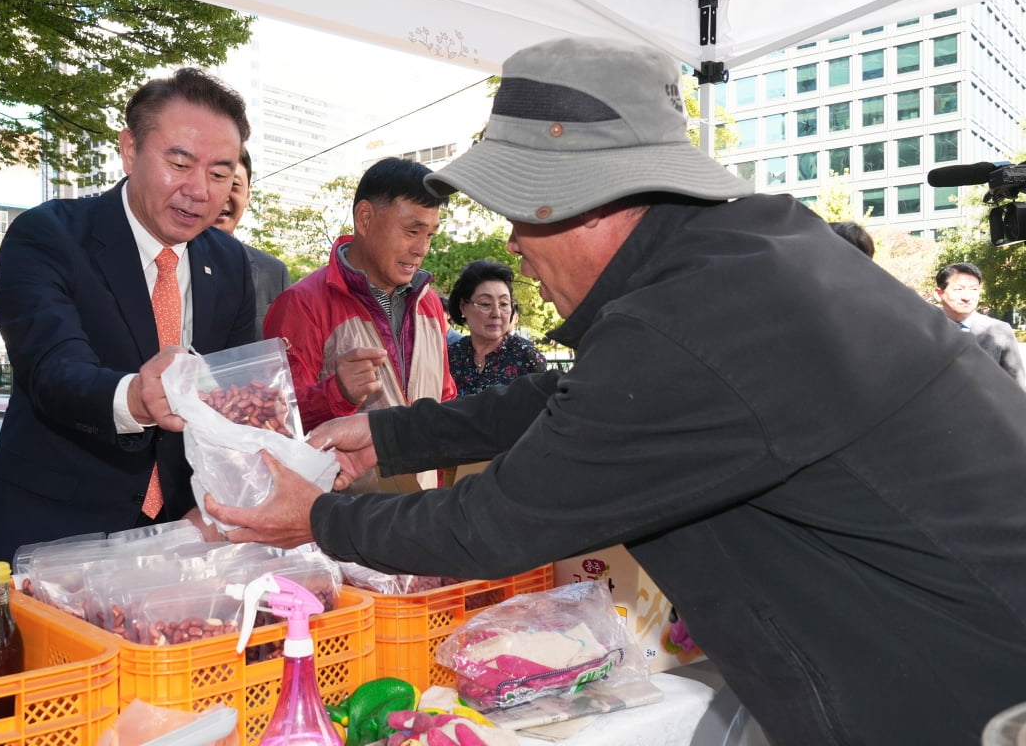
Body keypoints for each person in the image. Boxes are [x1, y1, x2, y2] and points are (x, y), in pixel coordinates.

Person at [210, 38, 1026, 746]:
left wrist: (319, 520)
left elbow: (499, 522)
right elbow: (582, 396)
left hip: (971, 692)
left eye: (520, 216)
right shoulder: (737, 259)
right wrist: (392, 437)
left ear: (583, 203)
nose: (514, 247)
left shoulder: (693, 318)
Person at [0, 67, 257, 563]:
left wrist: (221, 501)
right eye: (180, 163)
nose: (201, 190)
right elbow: (54, 371)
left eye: (220, 173)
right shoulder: (48, 236)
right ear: (129, 149)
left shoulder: (229, 264)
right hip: (50, 533)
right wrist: (137, 399)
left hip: (177, 540)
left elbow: (233, 396)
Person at [262, 156, 456, 492]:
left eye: (430, 234)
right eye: (411, 231)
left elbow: (445, 401)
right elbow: (274, 427)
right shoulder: (301, 304)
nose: (421, 248)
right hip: (337, 524)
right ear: (364, 218)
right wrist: (336, 393)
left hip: (423, 518)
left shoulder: (429, 305)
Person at [213, 147, 291, 340]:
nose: (223, 197)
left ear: (248, 194)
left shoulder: (274, 273)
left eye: (234, 185)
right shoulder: (165, 261)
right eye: (215, 181)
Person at [446, 259, 546, 395]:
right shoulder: (450, 356)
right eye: (486, 304)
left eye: (504, 304)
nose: (496, 314)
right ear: (463, 306)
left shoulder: (527, 357)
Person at [935, 262, 1026, 388]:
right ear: (939, 294)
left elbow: (1017, 383)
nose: (967, 297)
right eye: (959, 289)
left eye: (974, 289)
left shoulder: (999, 330)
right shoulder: (923, 330)